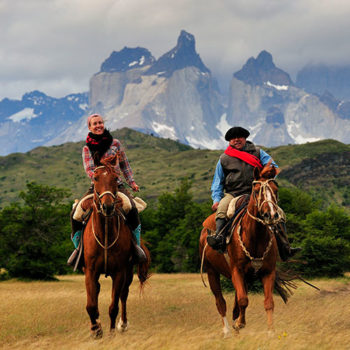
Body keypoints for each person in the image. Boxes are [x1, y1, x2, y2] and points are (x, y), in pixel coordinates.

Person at [206, 126, 301, 260]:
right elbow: (217, 182)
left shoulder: (258, 152)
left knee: (279, 213)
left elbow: (274, 168)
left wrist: (266, 179)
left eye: (239, 137)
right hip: (233, 193)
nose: (236, 140)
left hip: (257, 193)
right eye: (233, 138)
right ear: (229, 141)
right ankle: (220, 239)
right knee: (222, 209)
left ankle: (285, 248)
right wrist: (216, 199)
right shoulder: (224, 158)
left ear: (245, 139)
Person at [67, 113, 147, 266]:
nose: (98, 126)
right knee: (76, 213)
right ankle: (79, 250)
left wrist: (132, 182)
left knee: (131, 208)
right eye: (94, 124)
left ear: (104, 124)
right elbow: (89, 170)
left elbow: (125, 165)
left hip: (117, 186)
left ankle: (136, 246)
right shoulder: (86, 148)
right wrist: (102, 176)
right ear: (89, 127)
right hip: (97, 187)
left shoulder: (115, 144)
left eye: (100, 123)